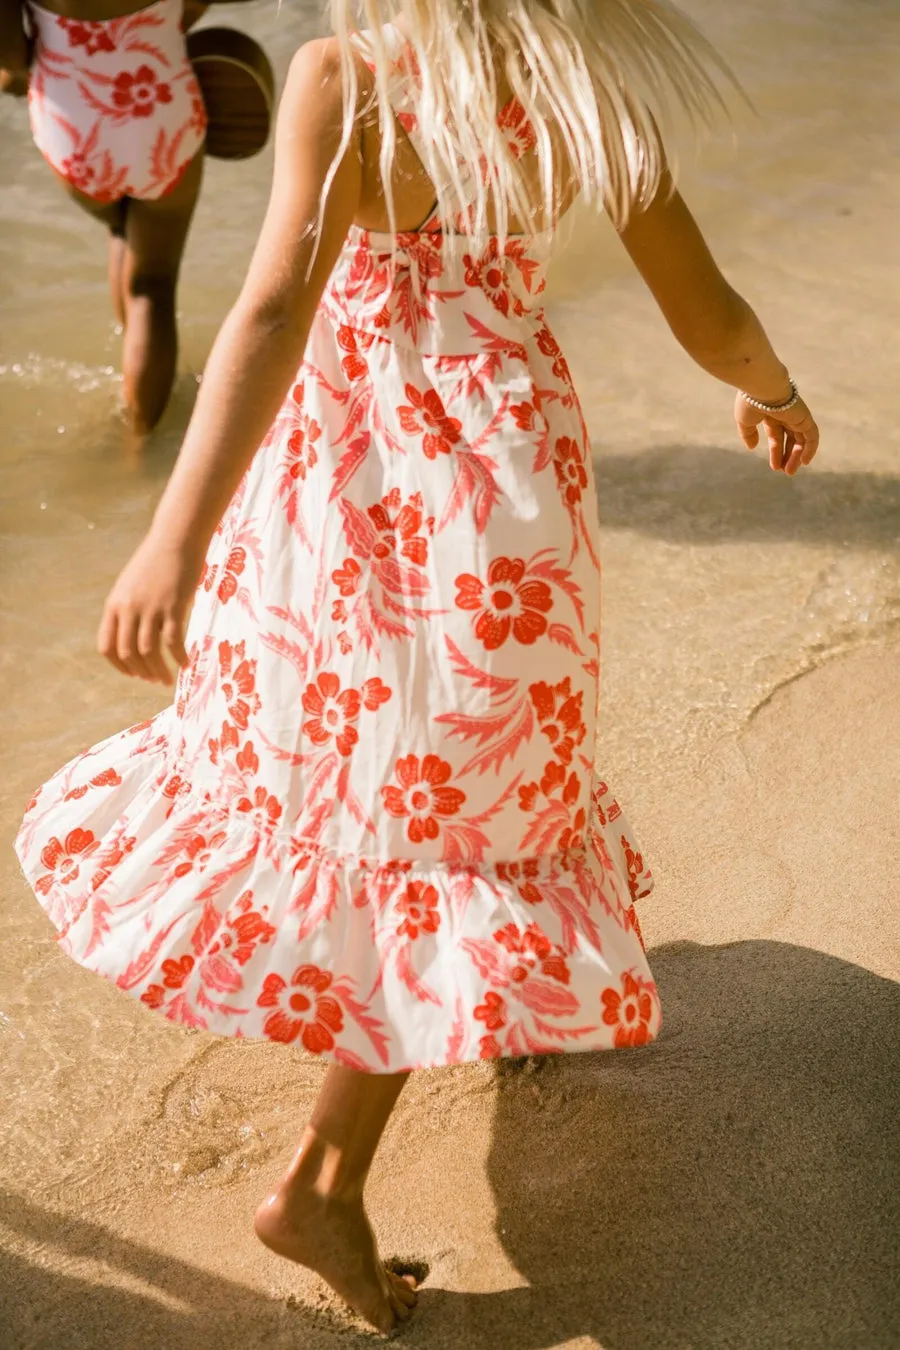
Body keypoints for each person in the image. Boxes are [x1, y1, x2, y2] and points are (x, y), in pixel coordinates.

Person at [14, 0, 820, 1334]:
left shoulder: (350, 81)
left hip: (352, 487)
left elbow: (273, 313)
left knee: (373, 807)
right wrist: (776, 392)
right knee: (461, 812)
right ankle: (381, 1114)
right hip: (508, 501)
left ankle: (327, 1175)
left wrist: (170, 537)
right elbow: (708, 306)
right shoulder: (589, 85)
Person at [0, 0, 209, 431]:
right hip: (160, 113)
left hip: (73, 130)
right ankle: (142, 446)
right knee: (153, 285)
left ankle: (135, 382)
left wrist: (20, 76)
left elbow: (9, 56)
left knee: (123, 230)